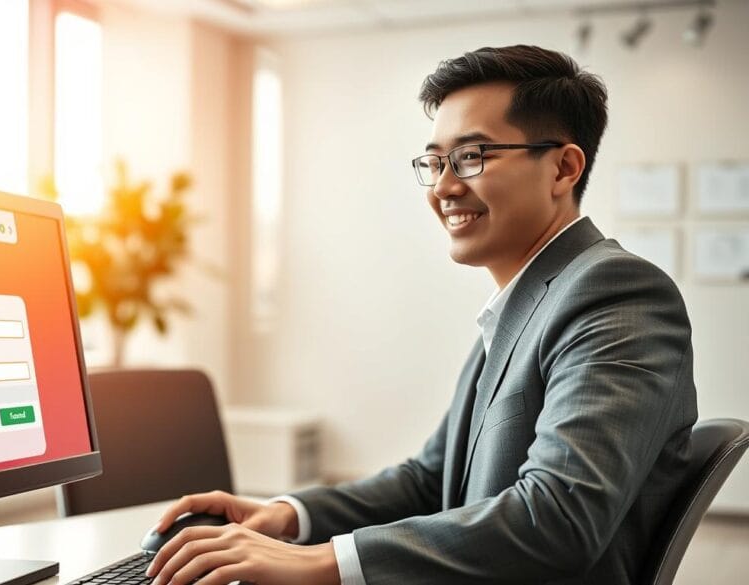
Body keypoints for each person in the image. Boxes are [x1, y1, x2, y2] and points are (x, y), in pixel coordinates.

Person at [144, 45, 698, 585]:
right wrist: (288, 516)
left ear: (562, 168)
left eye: (472, 156)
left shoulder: (616, 294)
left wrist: (320, 563)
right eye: (435, 163)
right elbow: (431, 479)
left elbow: (558, 518)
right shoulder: (523, 306)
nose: (444, 187)